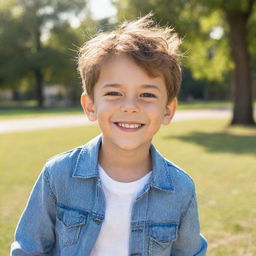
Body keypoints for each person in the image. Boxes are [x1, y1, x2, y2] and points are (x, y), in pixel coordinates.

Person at [11, 14, 207, 255]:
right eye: (114, 93)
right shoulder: (57, 175)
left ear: (168, 110)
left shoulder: (180, 188)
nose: (129, 106)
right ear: (91, 106)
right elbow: (28, 249)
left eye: (147, 95)